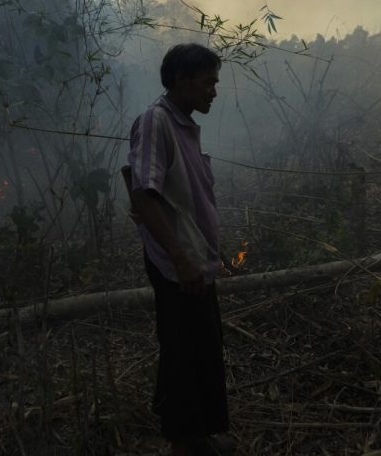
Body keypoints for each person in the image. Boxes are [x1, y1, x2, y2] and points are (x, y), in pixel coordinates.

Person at [126, 43, 233, 456]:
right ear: (181, 80)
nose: (213, 91)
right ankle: (185, 444)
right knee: (184, 352)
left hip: (193, 262)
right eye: (208, 82)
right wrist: (181, 256)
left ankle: (197, 435)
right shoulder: (156, 122)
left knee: (199, 349)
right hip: (179, 266)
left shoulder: (183, 126)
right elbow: (144, 196)